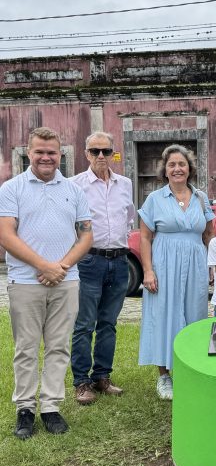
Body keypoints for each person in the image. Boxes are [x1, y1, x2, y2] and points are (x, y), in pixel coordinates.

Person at [0, 127, 93, 439]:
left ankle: (51, 407)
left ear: (60, 155)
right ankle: (25, 409)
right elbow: (6, 234)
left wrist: (61, 266)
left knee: (58, 346)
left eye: (51, 152)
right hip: (25, 281)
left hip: (67, 281)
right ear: (29, 152)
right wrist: (43, 265)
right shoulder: (11, 189)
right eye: (39, 151)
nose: (45, 157)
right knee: (26, 348)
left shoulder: (74, 190)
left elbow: (86, 235)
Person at [138, 144, 215, 400]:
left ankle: (190, 370)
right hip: (164, 264)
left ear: (189, 168)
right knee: (163, 315)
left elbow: (208, 235)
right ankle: (164, 376)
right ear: (165, 169)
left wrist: (212, 267)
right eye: (172, 164)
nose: (177, 168)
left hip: (195, 264)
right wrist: (148, 271)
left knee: (194, 315)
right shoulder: (154, 199)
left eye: (182, 164)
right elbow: (145, 238)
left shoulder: (201, 198)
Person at [70, 132, 135, 405]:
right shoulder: (75, 185)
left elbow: (128, 218)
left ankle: (102, 376)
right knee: (84, 324)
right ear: (86, 153)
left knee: (109, 323)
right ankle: (81, 382)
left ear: (113, 154)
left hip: (120, 261)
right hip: (89, 261)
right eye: (95, 151)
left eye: (106, 151)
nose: (100, 156)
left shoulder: (125, 184)